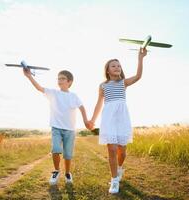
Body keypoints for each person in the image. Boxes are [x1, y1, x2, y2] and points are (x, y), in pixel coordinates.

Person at [88, 48, 147, 194]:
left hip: (122, 118)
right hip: (108, 117)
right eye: (113, 65)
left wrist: (141, 58)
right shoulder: (103, 86)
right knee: (112, 149)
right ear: (107, 70)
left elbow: (138, 76)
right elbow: (98, 104)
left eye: (119, 65)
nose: (117, 67)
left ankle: (120, 168)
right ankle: (114, 180)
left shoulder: (123, 83)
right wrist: (92, 120)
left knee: (122, 151)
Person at [23, 68, 89, 185]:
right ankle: (56, 171)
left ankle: (68, 173)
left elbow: (82, 107)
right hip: (56, 127)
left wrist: (85, 120)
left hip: (70, 129)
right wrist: (29, 76)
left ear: (69, 82)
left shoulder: (74, 96)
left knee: (68, 154)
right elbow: (39, 88)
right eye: (58, 78)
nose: (60, 80)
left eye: (63, 78)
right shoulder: (53, 93)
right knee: (56, 149)